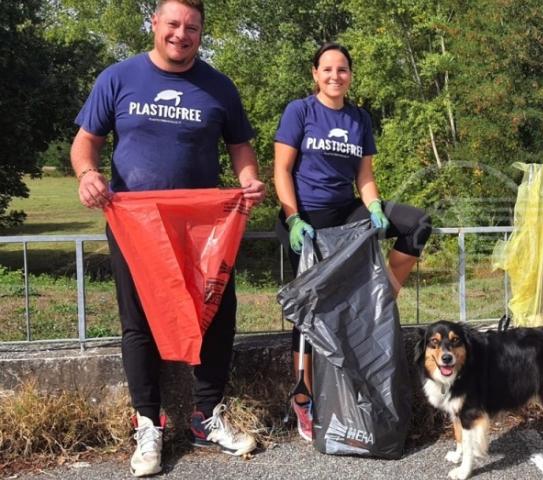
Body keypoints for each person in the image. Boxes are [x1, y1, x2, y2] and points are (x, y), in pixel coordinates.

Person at [69, 0, 264, 476]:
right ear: (154, 24)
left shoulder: (218, 86)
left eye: (192, 27)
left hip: (204, 227)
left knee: (216, 314)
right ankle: (148, 424)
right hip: (136, 225)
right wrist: (87, 174)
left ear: (202, 33)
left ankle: (206, 417)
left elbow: (241, 147)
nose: (182, 34)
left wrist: (250, 181)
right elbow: (84, 143)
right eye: (173, 24)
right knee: (139, 323)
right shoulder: (118, 77)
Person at [272, 42, 432, 442]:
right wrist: (292, 218)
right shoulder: (300, 111)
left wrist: (375, 206)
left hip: (347, 213)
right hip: (305, 219)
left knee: (417, 223)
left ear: (350, 75)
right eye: (327, 69)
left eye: (342, 70)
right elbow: (281, 169)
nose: (334, 76)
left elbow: (364, 175)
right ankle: (303, 399)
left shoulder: (360, 118)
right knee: (310, 313)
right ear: (314, 73)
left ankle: (377, 299)